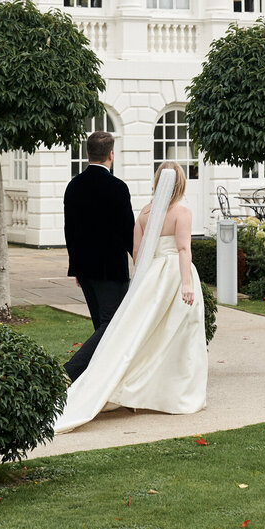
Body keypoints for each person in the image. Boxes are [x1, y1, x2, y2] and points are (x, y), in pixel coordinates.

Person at [55, 161, 208, 433]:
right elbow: (184, 249)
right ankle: (176, 391)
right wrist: (186, 284)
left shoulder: (145, 214)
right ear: (180, 183)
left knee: (142, 333)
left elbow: (138, 253)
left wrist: (144, 282)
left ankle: (134, 388)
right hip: (174, 275)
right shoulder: (182, 213)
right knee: (178, 331)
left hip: (152, 277)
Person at [63, 131, 135, 383]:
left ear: (87, 153)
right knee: (112, 325)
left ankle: (99, 382)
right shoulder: (118, 187)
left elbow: (69, 230)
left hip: (84, 268)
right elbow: (129, 231)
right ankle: (69, 372)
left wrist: (77, 267)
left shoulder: (73, 186)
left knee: (102, 327)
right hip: (111, 270)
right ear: (111, 154)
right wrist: (139, 259)